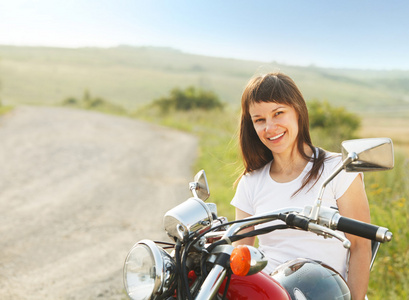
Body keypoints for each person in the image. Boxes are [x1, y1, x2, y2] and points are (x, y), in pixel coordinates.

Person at [231, 72, 371, 300]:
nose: (270, 127)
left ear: (298, 111)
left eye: (278, 113)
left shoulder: (337, 169)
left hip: (330, 295)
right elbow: (239, 255)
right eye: (259, 120)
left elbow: (360, 247)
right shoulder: (251, 182)